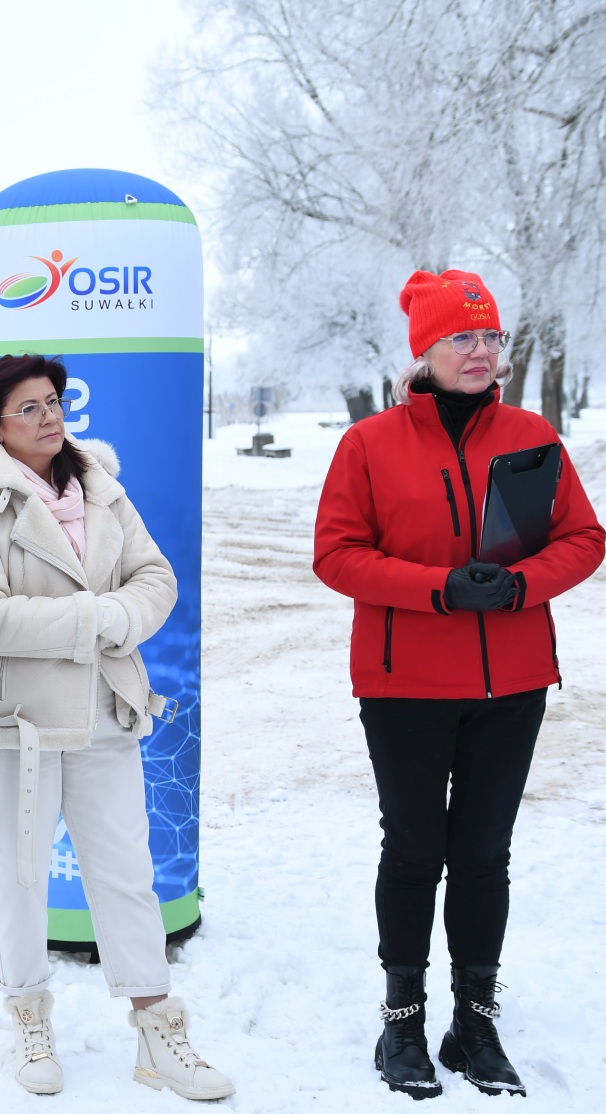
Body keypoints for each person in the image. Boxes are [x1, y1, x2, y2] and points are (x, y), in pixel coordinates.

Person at [314, 270, 603, 1099]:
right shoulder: (369, 444)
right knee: (414, 851)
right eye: (461, 338)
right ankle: (401, 1023)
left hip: (512, 683)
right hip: (404, 686)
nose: (480, 352)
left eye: (490, 337)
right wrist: (438, 588)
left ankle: (475, 1022)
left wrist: (520, 584)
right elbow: (336, 554)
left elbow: (585, 537)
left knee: (483, 855)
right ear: (425, 352)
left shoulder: (532, 435)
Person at [0, 353, 234, 1103]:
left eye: (54, 402)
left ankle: (158, 1030)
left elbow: (156, 578)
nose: (50, 417)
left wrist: (121, 617)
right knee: (19, 877)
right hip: (17, 724)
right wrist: (99, 617)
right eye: (29, 408)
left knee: (126, 875)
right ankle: (30, 1019)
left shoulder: (99, 484)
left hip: (105, 708)